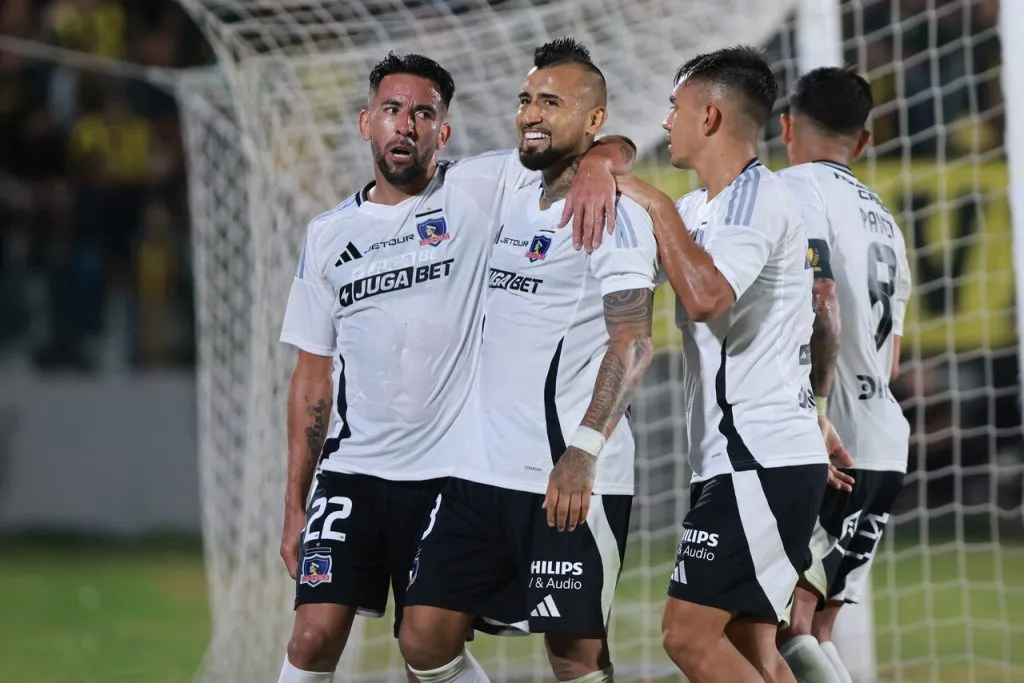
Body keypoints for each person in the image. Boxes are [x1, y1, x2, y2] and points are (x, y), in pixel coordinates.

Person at [275, 51, 635, 683]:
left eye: (423, 114)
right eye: (391, 111)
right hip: (355, 470)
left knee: (444, 647)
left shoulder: (483, 186)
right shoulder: (327, 235)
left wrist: (606, 159)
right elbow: (311, 375)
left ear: (443, 132)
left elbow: (586, 143)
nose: (404, 126)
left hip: (451, 472)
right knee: (312, 635)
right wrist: (292, 504)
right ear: (366, 124)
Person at [398, 38, 657, 683]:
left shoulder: (615, 215)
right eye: (524, 100)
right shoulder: (512, 184)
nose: (530, 114)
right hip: (477, 473)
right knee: (423, 639)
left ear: (593, 119)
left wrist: (583, 450)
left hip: (564, 477)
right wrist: (605, 154)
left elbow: (634, 340)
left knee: (575, 657)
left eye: (550, 102)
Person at [614, 46, 832, 683]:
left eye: (674, 108)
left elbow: (707, 297)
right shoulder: (700, 210)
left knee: (686, 635)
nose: (665, 124)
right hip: (740, 460)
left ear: (709, 117)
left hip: (758, 458)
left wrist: (651, 202)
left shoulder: (752, 199)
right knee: (751, 648)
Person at [774, 67, 912, 683]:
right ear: (863, 140)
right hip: (884, 434)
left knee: (785, 625)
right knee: (816, 625)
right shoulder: (886, 220)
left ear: (786, 127)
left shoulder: (798, 187)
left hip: (835, 439)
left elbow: (816, 291)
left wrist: (815, 406)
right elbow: (894, 358)